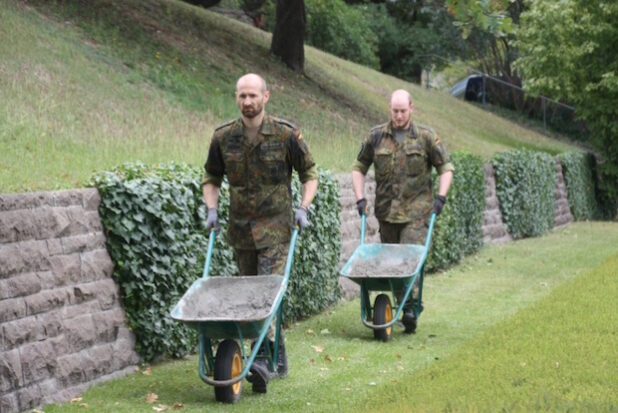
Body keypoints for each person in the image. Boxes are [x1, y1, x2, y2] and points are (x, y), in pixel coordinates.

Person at [202, 73, 318, 389]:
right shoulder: (223, 138)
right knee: (250, 293)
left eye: (253, 95)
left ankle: (262, 361)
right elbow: (211, 177)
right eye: (242, 96)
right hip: (241, 232)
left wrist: (303, 207)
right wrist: (211, 209)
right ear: (236, 97)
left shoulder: (285, 134)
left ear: (266, 97)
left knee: (266, 291)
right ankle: (276, 356)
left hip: (278, 229)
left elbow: (310, 173)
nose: (248, 102)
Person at [351, 89, 454, 334]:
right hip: (386, 212)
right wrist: (360, 198)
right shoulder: (376, 137)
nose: (398, 116)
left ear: (411, 109)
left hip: (417, 211)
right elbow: (358, 168)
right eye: (395, 111)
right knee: (392, 262)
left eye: (403, 111)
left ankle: (409, 308)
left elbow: (446, 168)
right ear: (390, 109)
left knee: (409, 256)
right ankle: (402, 304)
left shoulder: (426, 137)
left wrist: (440, 197)